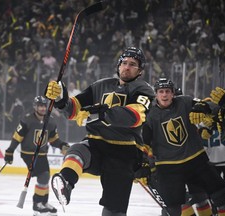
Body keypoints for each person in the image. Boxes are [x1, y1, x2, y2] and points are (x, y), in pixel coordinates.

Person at [45, 47, 155, 216]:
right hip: (96, 143)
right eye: (124, 63)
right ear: (118, 66)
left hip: (124, 152)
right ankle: (66, 182)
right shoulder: (101, 85)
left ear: (139, 71)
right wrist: (60, 98)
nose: (127, 67)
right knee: (77, 150)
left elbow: (135, 116)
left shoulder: (143, 89)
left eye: (132, 64)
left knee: (114, 209)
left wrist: (99, 113)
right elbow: (74, 109)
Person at [142, 78, 225, 216]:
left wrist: (205, 107)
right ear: (156, 94)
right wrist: (141, 162)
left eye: (167, 91)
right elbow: (144, 142)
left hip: (196, 161)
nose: (164, 95)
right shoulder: (150, 115)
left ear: (173, 94)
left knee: (222, 196)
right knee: (177, 206)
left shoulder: (185, 101)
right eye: (161, 92)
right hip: (168, 167)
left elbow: (208, 104)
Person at [4, 96, 70, 216]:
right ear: (35, 107)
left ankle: (43, 203)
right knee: (43, 176)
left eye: (44, 106)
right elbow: (17, 137)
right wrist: (10, 151)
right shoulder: (27, 120)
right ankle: (37, 204)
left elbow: (53, 139)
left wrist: (62, 145)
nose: (43, 108)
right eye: (40, 106)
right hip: (29, 153)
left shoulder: (50, 121)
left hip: (42, 153)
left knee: (45, 177)